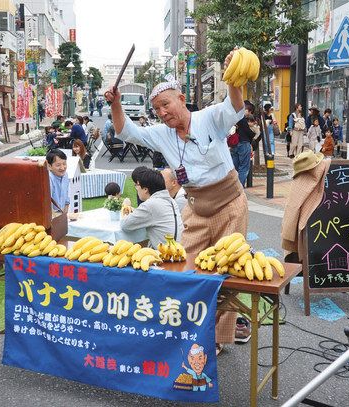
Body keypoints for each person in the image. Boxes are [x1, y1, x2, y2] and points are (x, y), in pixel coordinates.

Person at [105, 48, 247, 350]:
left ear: (182, 100)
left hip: (229, 204)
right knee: (182, 266)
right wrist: (116, 103)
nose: (163, 112)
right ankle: (187, 329)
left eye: (166, 104)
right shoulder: (161, 133)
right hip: (196, 207)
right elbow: (124, 130)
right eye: (157, 109)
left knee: (226, 273)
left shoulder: (209, 118)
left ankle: (217, 339)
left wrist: (233, 75)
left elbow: (235, 106)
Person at [120, 168, 183, 248]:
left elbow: (125, 225)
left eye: (137, 185)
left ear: (146, 189)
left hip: (166, 256)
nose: (136, 188)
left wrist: (126, 210)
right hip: (179, 251)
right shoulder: (170, 200)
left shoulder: (150, 205)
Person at [230, 101, 257, 186]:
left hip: (234, 144)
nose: (248, 113)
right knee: (244, 168)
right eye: (248, 111)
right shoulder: (242, 118)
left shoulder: (234, 116)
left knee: (235, 168)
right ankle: (239, 188)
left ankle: (233, 187)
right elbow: (248, 132)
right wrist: (253, 134)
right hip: (243, 144)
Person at [46, 149, 69, 213]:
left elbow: (67, 198)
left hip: (61, 214)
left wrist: (65, 215)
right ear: (49, 166)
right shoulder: (48, 179)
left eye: (64, 164)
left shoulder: (65, 175)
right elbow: (47, 205)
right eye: (58, 165)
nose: (62, 168)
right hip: (51, 215)